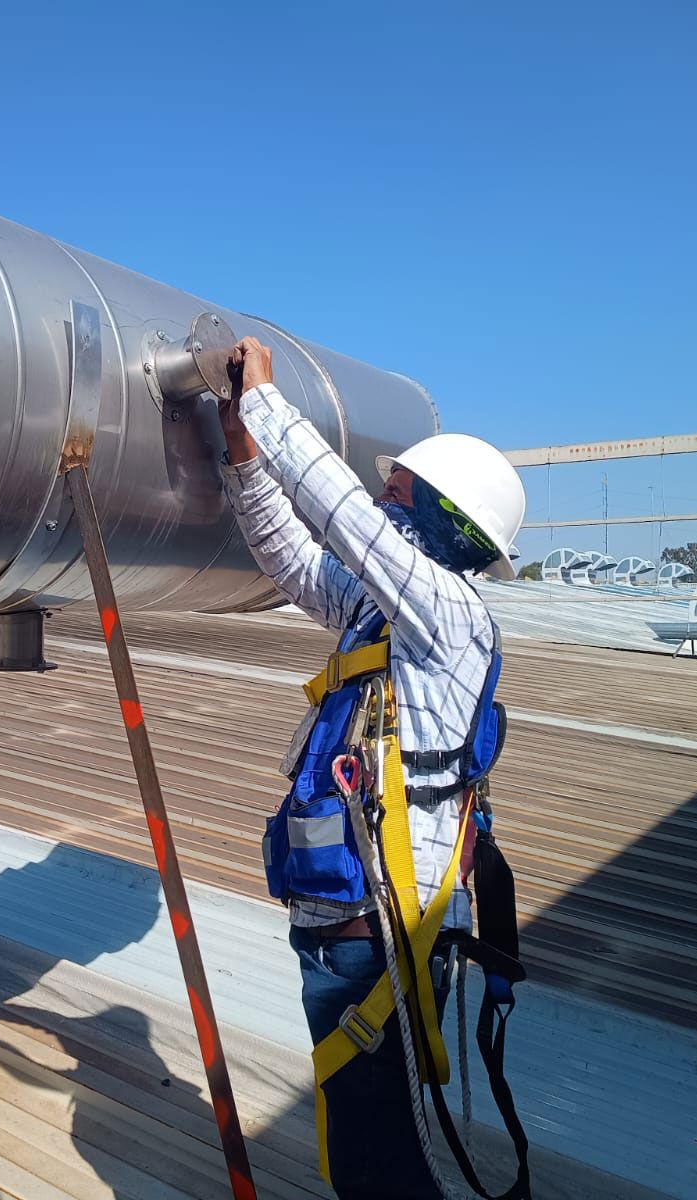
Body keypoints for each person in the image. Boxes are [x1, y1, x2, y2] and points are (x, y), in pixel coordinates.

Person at [218, 336, 528, 1199]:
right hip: (345, 916)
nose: (382, 499)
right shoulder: (383, 612)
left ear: (445, 520)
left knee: (375, 1157)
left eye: (398, 492)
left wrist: (264, 405)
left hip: (378, 928)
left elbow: (343, 519)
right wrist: (243, 457)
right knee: (370, 1136)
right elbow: (292, 557)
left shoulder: (448, 613)